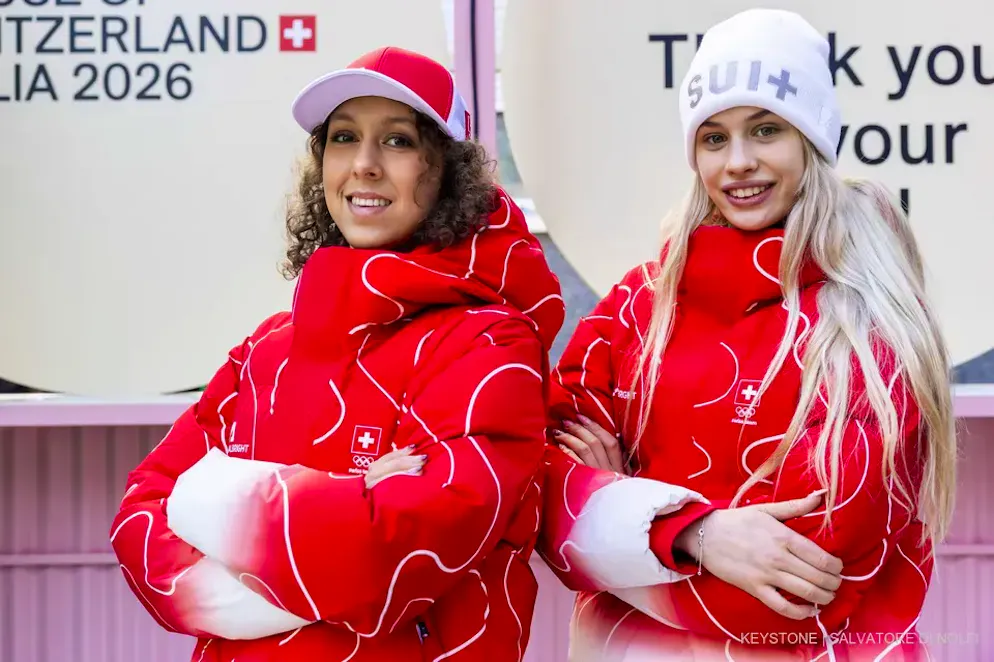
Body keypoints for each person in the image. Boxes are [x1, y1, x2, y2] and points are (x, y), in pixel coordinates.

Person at [109, 46, 565, 661]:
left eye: (398, 141)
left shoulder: (491, 345)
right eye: (344, 138)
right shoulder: (266, 349)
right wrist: (341, 502)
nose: (365, 165)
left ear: (447, 172)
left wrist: (214, 499)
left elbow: (398, 560)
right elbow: (141, 513)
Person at [538, 9, 956, 661]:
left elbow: (799, 597)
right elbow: (541, 499)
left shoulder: (871, 323)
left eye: (766, 130)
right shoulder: (639, 304)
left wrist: (621, 515)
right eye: (713, 138)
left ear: (811, 140)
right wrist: (696, 534)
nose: (738, 163)